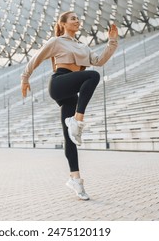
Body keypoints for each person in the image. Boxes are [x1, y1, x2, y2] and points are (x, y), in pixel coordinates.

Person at [21, 11, 118, 200]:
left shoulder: (83, 47)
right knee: (93, 75)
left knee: (70, 139)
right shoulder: (56, 41)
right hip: (59, 83)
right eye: (73, 18)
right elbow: (37, 58)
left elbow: (99, 61)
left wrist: (112, 41)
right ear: (63, 23)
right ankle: (77, 120)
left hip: (71, 92)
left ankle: (76, 179)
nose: (77, 20)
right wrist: (25, 77)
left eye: (78, 18)